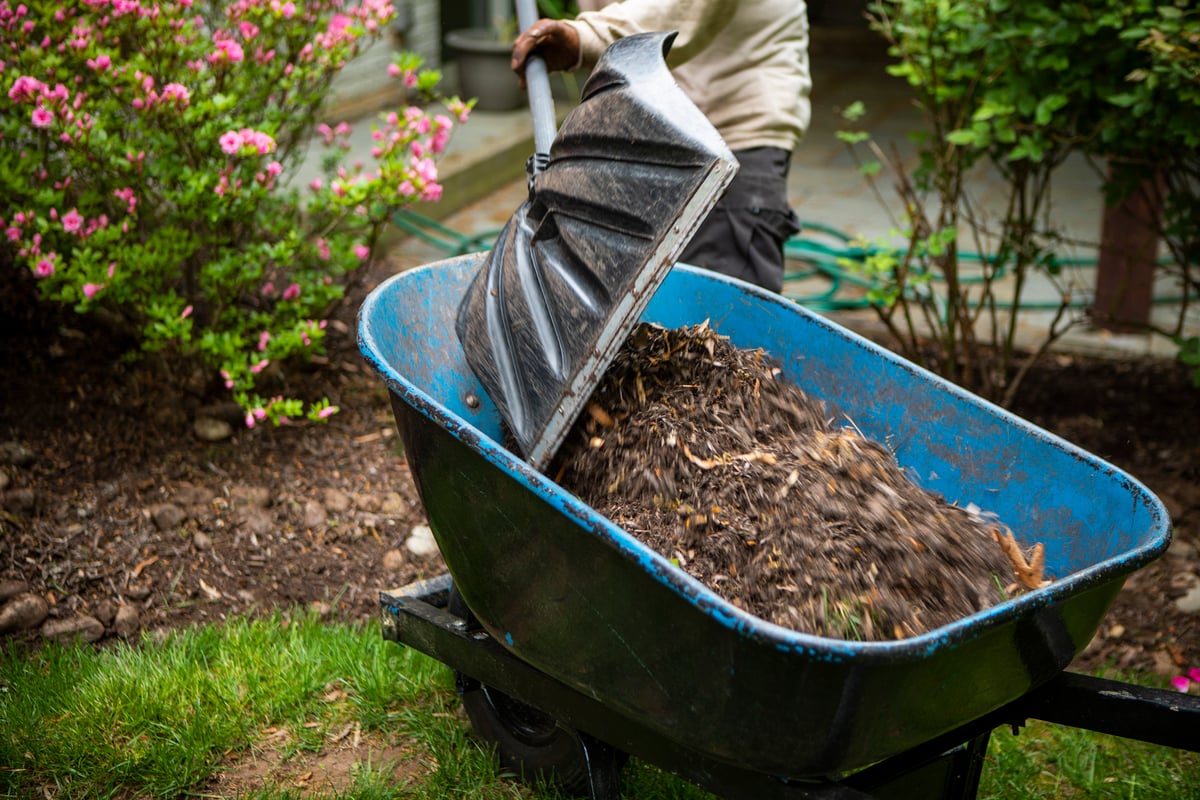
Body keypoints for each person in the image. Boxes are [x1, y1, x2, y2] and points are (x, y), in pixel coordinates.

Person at [510, 0, 811, 293]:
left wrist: (585, 37)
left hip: (730, 131)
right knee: (648, 312)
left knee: (724, 318)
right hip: (649, 133)